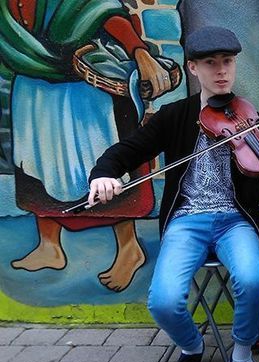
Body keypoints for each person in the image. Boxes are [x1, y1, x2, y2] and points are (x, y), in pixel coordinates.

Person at [87, 26, 259, 362]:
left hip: (235, 220)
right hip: (187, 221)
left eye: (227, 62)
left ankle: (243, 358)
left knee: (252, 280)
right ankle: (192, 350)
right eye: (211, 63)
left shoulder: (251, 117)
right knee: (163, 301)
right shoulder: (174, 116)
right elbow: (128, 150)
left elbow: (258, 183)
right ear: (193, 68)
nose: (221, 71)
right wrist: (104, 174)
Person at [2, 0, 173, 291]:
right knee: (36, 163)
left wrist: (140, 52)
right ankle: (49, 247)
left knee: (105, 166)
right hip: (32, 86)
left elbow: (102, 9)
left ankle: (129, 248)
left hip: (82, 90)